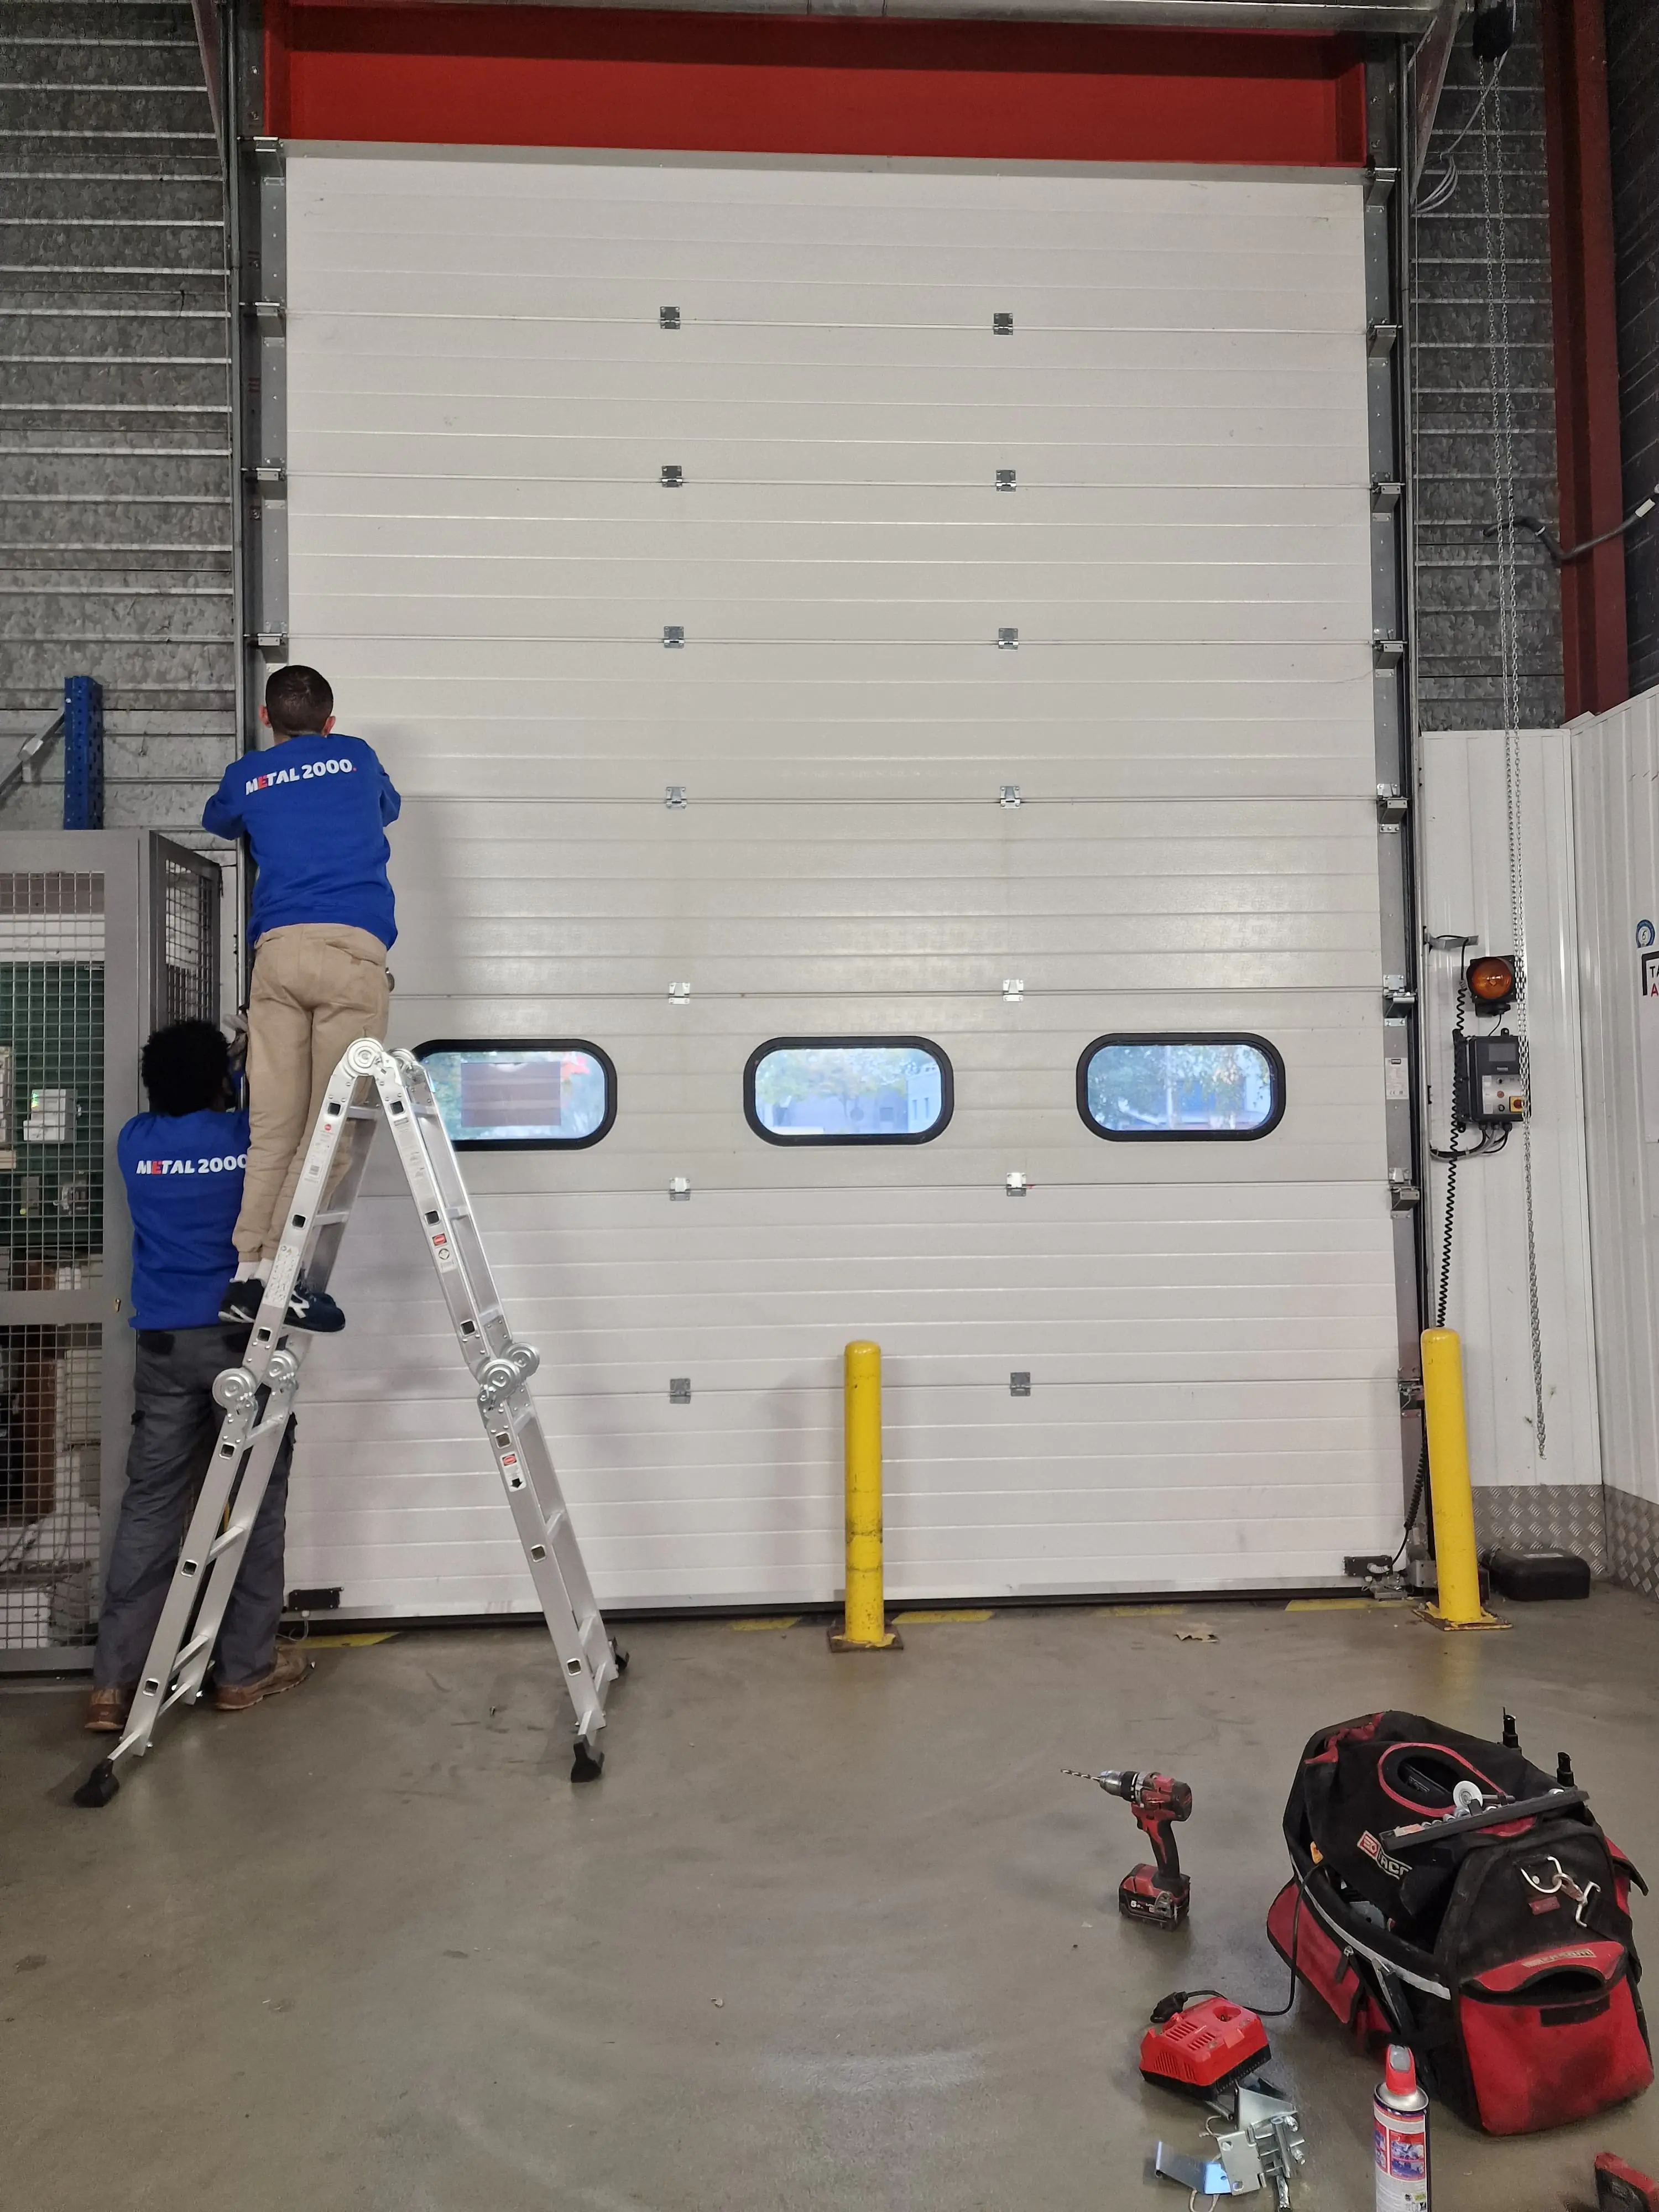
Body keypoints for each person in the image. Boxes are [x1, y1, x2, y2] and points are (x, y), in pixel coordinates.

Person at [87, 1021, 307, 1733]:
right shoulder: (248, 1139)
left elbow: (191, 1099)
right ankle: (244, 1670)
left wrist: (217, 1072)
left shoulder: (134, 1142)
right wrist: (245, 1063)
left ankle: (113, 1683)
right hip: (242, 1345)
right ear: (220, 1081)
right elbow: (266, 1109)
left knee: (152, 1505)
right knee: (251, 1504)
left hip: (163, 1348)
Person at [203, 664, 401, 1331]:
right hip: (350, 954)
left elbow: (219, 820)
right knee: (329, 1128)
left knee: (274, 1130)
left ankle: (248, 1276)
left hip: (280, 955)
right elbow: (387, 807)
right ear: (330, 722)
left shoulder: (247, 775)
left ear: (266, 718)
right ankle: (284, 1278)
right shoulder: (357, 757)